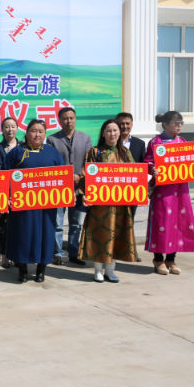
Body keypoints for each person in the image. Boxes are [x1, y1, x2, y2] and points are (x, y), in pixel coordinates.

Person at [144, 111, 194, 275]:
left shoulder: (183, 142)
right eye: (175, 123)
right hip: (163, 191)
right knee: (161, 222)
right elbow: (147, 162)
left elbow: (192, 161)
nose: (179, 126)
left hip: (180, 190)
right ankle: (158, 259)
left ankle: (171, 259)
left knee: (178, 222)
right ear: (165, 124)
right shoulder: (155, 142)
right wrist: (152, 169)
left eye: (181, 123)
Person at [78, 119, 139, 283]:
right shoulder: (95, 152)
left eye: (115, 130)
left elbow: (134, 175)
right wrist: (84, 194)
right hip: (100, 206)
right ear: (103, 134)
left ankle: (111, 270)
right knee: (100, 236)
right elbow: (85, 175)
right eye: (109, 130)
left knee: (117, 237)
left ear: (120, 133)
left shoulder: (125, 152)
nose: (112, 133)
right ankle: (98, 270)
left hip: (120, 205)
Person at [5, 119, 65, 283]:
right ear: (26, 133)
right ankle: (22, 269)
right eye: (33, 131)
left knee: (45, 236)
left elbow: (62, 175)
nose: (37, 134)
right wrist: (8, 196)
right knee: (23, 235)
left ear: (45, 134)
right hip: (22, 206)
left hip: (46, 206)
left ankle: (41, 269)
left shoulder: (52, 152)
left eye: (40, 131)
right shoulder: (17, 152)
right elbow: (5, 175)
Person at [47, 107, 92, 266]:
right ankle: (57, 253)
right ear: (60, 120)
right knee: (58, 223)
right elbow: (51, 163)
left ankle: (74, 252)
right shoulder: (52, 139)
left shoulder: (85, 138)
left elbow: (89, 162)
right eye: (65, 118)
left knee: (76, 223)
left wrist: (80, 175)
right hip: (60, 188)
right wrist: (67, 177)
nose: (69, 121)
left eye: (71, 118)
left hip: (79, 187)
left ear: (75, 119)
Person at [0, 116, 19, 268]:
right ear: (2, 130)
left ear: (17, 128)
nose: (10, 130)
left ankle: (16, 254)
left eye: (13, 126)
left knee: (19, 225)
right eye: (7, 127)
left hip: (22, 192)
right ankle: (4, 255)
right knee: (4, 225)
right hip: (5, 192)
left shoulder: (23, 146)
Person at [116, 112, 146, 219]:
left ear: (132, 124)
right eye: (121, 124)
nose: (125, 126)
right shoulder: (110, 143)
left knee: (130, 218)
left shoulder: (140, 144)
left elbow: (143, 166)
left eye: (127, 123)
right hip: (114, 187)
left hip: (133, 188)